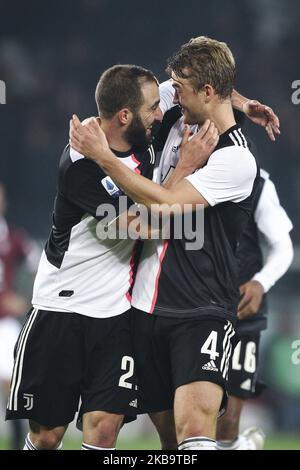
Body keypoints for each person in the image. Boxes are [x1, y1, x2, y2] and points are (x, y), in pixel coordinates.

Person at [69, 36, 280, 450]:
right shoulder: (175, 111)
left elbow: (164, 204)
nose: (171, 94)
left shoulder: (236, 159)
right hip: (143, 308)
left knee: (193, 430)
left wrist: (104, 158)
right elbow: (212, 80)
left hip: (199, 311)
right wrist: (242, 99)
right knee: (166, 443)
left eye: (180, 87)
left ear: (205, 92)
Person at [5, 65, 172, 451]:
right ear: (125, 116)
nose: (160, 115)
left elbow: (186, 85)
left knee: (104, 430)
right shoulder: (81, 166)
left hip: (116, 316)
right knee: (47, 436)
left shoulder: (139, 119)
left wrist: (242, 103)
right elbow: (144, 226)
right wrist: (182, 172)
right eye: (152, 110)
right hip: (60, 311)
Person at [216, 167, 293, 450]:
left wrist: (260, 283)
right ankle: (244, 447)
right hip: (194, 310)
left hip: (242, 313)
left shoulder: (256, 180)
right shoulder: (183, 164)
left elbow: (283, 247)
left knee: (227, 418)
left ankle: (235, 444)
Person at [0, 182, 40, 449]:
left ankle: (16, 443)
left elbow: (40, 266)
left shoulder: (12, 237)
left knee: (10, 383)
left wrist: (27, 300)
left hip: (3, 323)